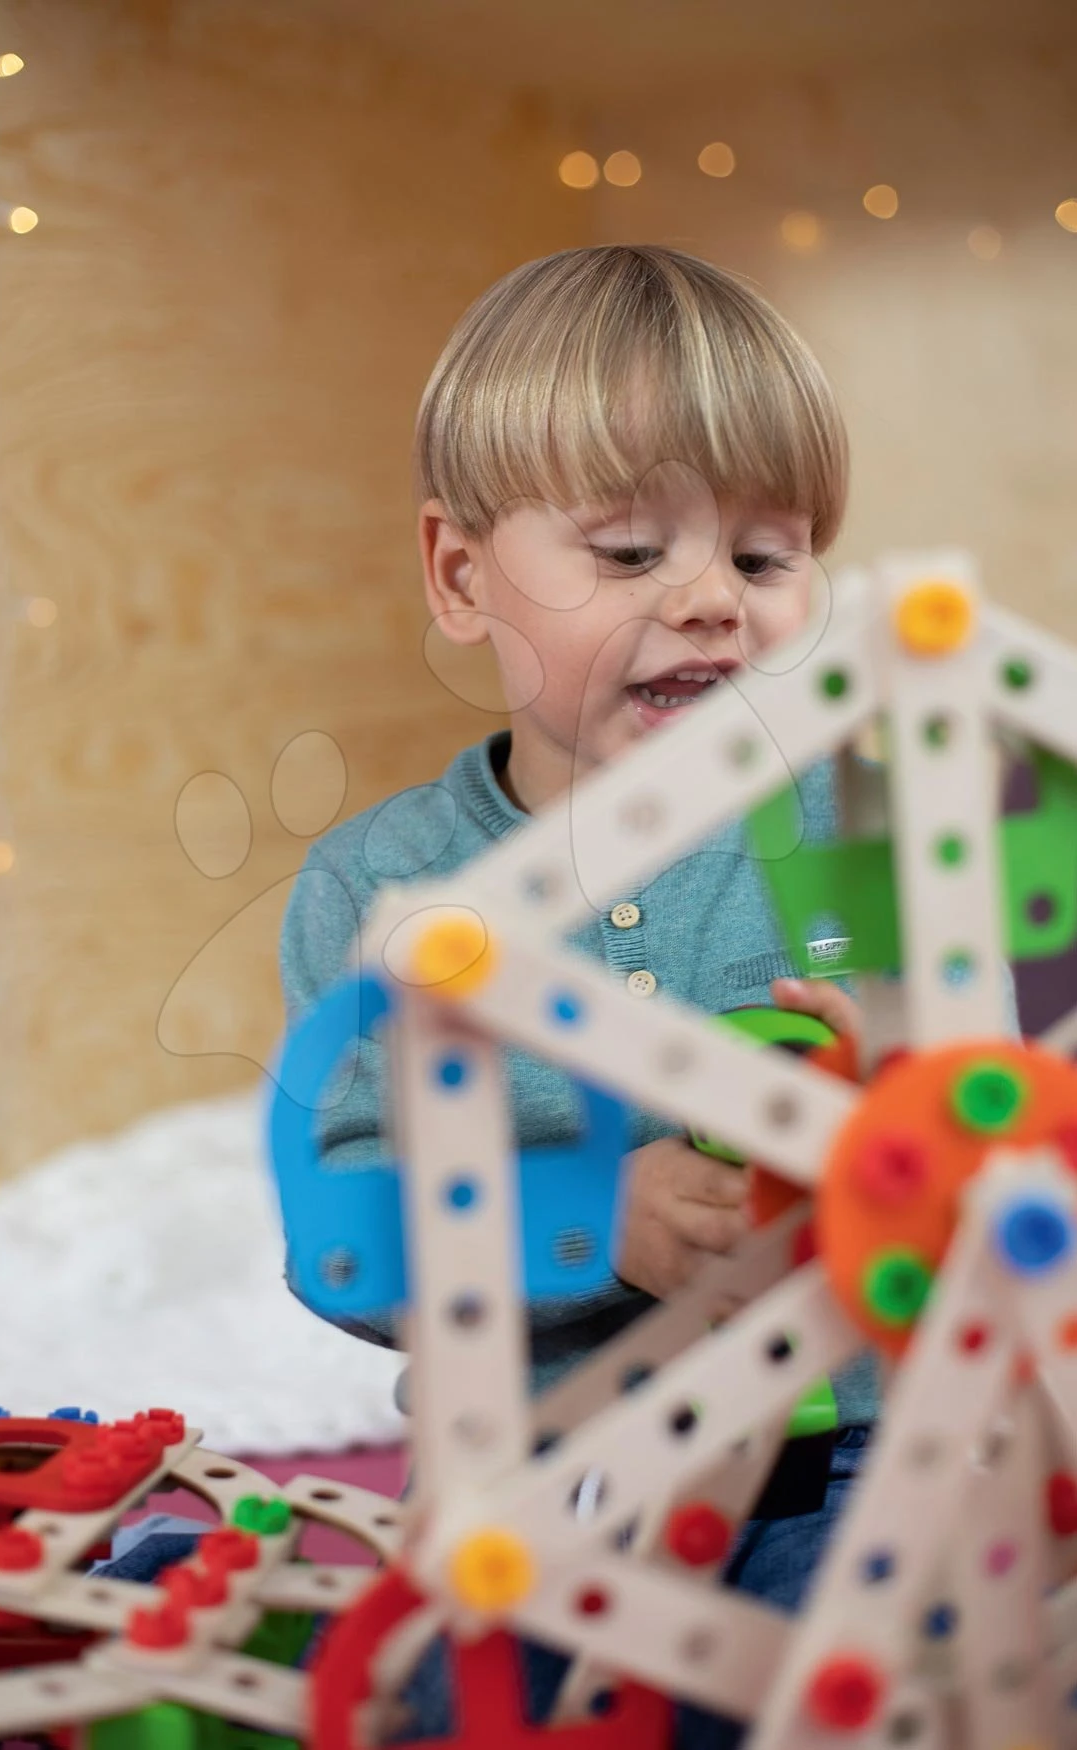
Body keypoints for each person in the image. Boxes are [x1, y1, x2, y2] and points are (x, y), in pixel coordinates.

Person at [277, 244, 872, 1747]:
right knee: (441, 1703)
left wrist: (897, 1087)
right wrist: (586, 1220)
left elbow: (970, 1076)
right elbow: (342, 1225)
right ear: (460, 576)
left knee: (892, 1662)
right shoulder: (378, 892)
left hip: (840, 1453)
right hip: (539, 1471)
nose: (707, 605)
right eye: (626, 555)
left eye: (760, 556)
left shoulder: (852, 832)